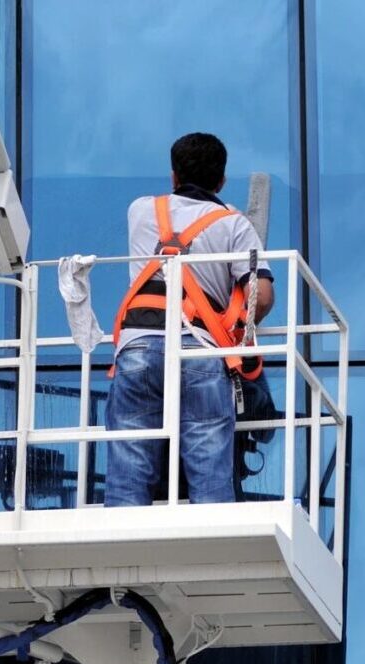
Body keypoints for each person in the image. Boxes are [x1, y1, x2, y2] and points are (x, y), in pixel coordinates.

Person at [105, 132, 275, 507]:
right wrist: (237, 327)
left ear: (173, 176)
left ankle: (118, 557)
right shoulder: (233, 223)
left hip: (137, 351)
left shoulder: (141, 210)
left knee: (127, 480)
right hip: (199, 352)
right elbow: (260, 297)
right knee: (211, 481)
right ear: (222, 180)